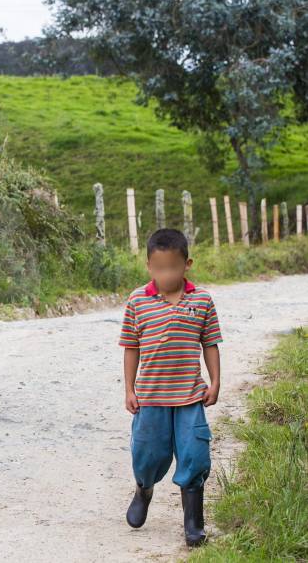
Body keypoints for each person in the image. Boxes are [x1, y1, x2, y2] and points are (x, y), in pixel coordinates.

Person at [119, 228, 223, 546]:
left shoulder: (202, 300)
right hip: (151, 397)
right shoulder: (138, 301)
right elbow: (131, 346)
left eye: (173, 267)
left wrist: (215, 381)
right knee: (148, 454)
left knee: (195, 454)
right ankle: (144, 489)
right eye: (160, 268)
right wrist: (130, 389)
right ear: (149, 266)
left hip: (190, 395)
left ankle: (193, 522)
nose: (167, 274)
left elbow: (211, 343)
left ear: (186, 264)